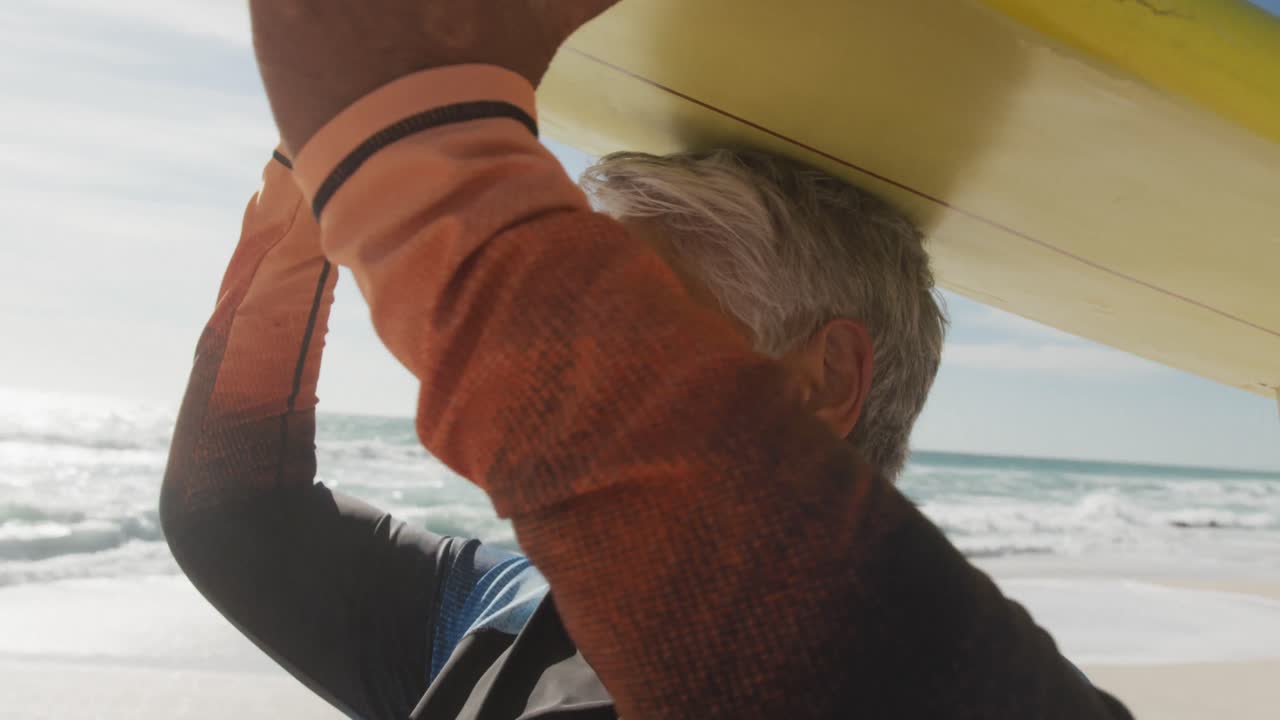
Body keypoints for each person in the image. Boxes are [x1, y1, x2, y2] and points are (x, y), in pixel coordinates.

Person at [160, 2, 1133, 718]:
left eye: (637, 316)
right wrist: (307, 183)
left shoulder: (927, 682)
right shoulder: (511, 607)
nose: (570, 341)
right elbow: (235, 513)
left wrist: (383, 130)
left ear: (825, 380)